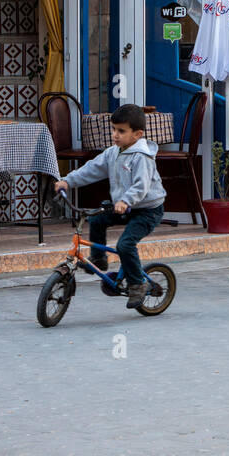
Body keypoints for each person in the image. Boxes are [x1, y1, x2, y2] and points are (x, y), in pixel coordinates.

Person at [54, 103, 165, 309]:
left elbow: (142, 185)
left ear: (138, 134)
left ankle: (136, 285)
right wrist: (68, 181)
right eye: (113, 129)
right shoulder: (114, 152)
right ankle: (99, 259)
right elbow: (92, 169)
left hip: (147, 210)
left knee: (124, 245)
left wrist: (125, 201)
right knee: (96, 219)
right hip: (123, 205)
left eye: (121, 131)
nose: (115, 135)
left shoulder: (142, 157)